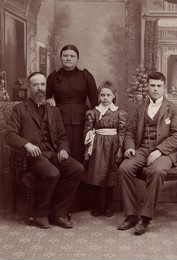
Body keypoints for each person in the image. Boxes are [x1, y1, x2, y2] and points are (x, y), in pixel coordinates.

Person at [5, 72, 84, 229]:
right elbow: (9, 135)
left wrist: (63, 149)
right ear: (29, 87)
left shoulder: (53, 110)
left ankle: (58, 213)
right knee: (52, 173)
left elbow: (62, 135)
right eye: (35, 85)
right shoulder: (19, 109)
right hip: (32, 157)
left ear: (46, 87)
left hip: (52, 153)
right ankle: (40, 214)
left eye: (42, 84)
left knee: (77, 169)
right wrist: (27, 145)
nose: (39, 88)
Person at [118, 71, 177, 235]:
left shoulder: (173, 108)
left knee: (157, 170)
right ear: (147, 87)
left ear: (164, 88)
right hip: (142, 148)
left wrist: (159, 150)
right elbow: (130, 131)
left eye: (159, 86)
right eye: (152, 85)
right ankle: (131, 215)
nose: (155, 89)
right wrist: (130, 147)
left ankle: (145, 218)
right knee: (124, 169)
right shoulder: (141, 108)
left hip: (165, 152)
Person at [46, 44, 98, 163]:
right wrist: (48, 100)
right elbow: (46, 97)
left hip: (82, 119)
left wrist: (93, 119)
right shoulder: (53, 77)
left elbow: (94, 100)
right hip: (59, 119)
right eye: (65, 55)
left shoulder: (85, 76)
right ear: (61, 57)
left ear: (77, 58)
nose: (68, 58)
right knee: (62, 149)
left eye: (72, 56)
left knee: (80, 150)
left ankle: (81, 179)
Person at [84, 81, 128, 217]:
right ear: (98, 97)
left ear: (114, 96)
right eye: (102, 95)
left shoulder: (119, 113)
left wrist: (120, 149)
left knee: (111, 175)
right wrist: (87, 150)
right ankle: (96, 205)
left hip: (113, 146)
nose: (105, 98)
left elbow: (122, 132)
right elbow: (88, 131)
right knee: (96, 174)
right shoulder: (93, 112)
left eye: (108, 95)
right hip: (97, 146)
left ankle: (110, 205)